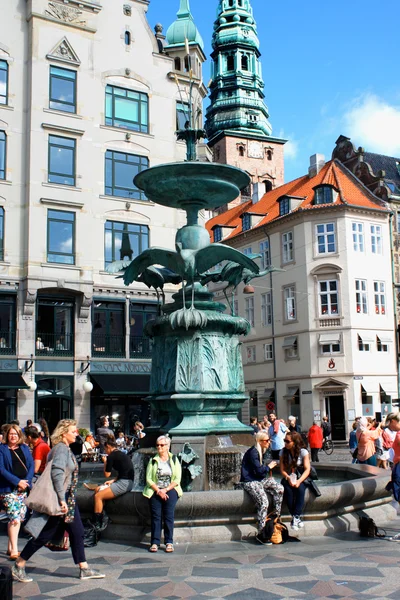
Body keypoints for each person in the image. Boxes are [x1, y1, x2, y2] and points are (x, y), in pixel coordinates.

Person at [12, 419, 105, 583]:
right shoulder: (61, 449)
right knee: (46, 534)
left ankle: (83, 568)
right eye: (73, 431)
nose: (77, 433)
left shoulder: (64, 449)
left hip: (68, 498)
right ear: (64, 433)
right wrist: (62, 499)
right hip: (62, 499)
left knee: (77, 532)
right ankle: (19, 564)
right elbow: (57, 474)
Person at [240, 431, 284, 544]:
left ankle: (275, 518)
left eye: (269, 440)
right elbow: (259, 471)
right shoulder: (253, 452)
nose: (269, 442)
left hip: (259, 480)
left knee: (279, 489)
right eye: (267, 441)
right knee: (264, 502)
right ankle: (261, 533)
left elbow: (261, 474)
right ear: (260, 441)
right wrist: (268, 467)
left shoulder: (262, 451)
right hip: (250, 481)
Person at [143, 435, 182, 553]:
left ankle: (169, 542)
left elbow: (177, 479)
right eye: (158, 445)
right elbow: (148, 478)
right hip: (156, 490)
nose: (159, 447)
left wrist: (165, 490)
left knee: (168, 515)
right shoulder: (153, 460)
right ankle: (155, 542)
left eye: (162, 445)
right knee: (156, 516)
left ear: (167, 447)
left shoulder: (174, 459)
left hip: (170, 489)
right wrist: (158, 490)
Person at [0, 424, 34, 559]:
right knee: (14, 518)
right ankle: (14, 550)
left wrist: (26, 482)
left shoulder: (24, 448)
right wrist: (17, 481)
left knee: (18, 517)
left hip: (23, 489)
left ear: (20, 436)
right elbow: (1, 469)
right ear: (6, 435)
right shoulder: (2, 449)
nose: (13, 436)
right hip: (8, 489)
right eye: (10, 434)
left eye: (15, 434)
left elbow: (31, 466)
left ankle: (10, 547)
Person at [93, 435, 134, 529]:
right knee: (98, 489)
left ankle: (97, 523)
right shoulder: (120, 454)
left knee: (98, 496)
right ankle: (104, 516)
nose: (105, 452)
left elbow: (106, 474)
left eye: (105, 449)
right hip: (126, 481)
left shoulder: (111, 456)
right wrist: (113, 481)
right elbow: (124, 471)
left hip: (124, 483)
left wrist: (105, 462)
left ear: (108, 447)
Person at [280, 431, 311, 531]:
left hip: (300, 477)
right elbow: (282, 470)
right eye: (284, 440)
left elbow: (307, 469)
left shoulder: (303, 452)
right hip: (288, 477)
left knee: (300, 490)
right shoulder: (283, 452)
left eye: (287, 441)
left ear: (294, 442)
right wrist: (288, 478)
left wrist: (299, 481)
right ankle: (296, 518)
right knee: (288, 492)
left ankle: (295, 517)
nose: (285, 443)